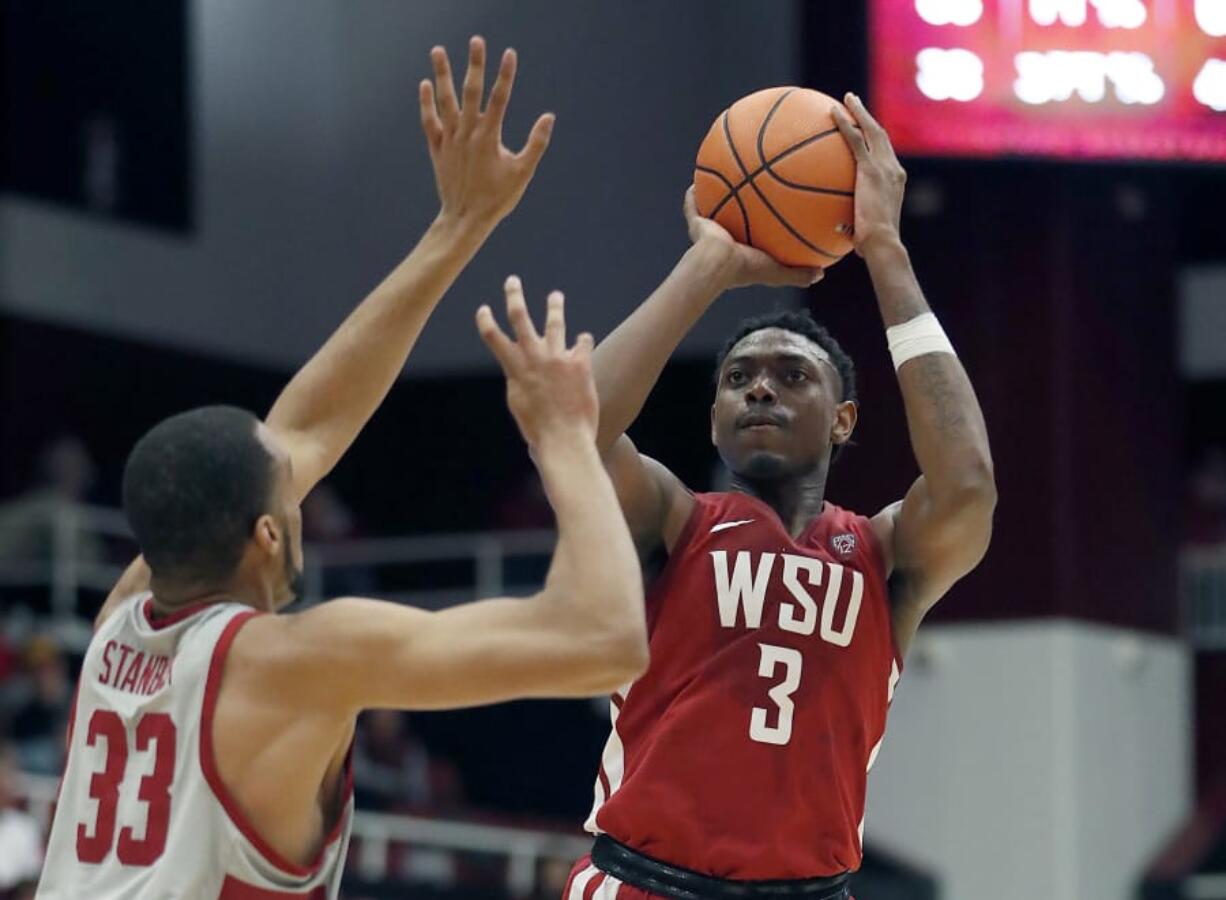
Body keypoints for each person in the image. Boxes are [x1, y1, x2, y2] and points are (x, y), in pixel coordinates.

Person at [35, 38, 647, 899]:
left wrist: (458, 226)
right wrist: (566, 441)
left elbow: (307, 428)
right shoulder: (297, 660)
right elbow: (604, 641)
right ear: (266, 534)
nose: (302, 471)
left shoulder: (118, 622)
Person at [564, 94, 996, 899]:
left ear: (843, 419)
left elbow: (967, 487)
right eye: (738, 378)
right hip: (646, 882)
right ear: (717, 413)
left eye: (790, 376)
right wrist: (707, 268)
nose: (759, 388)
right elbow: (574, 434)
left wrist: (885, 251)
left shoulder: (883, 556)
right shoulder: (674, 522)